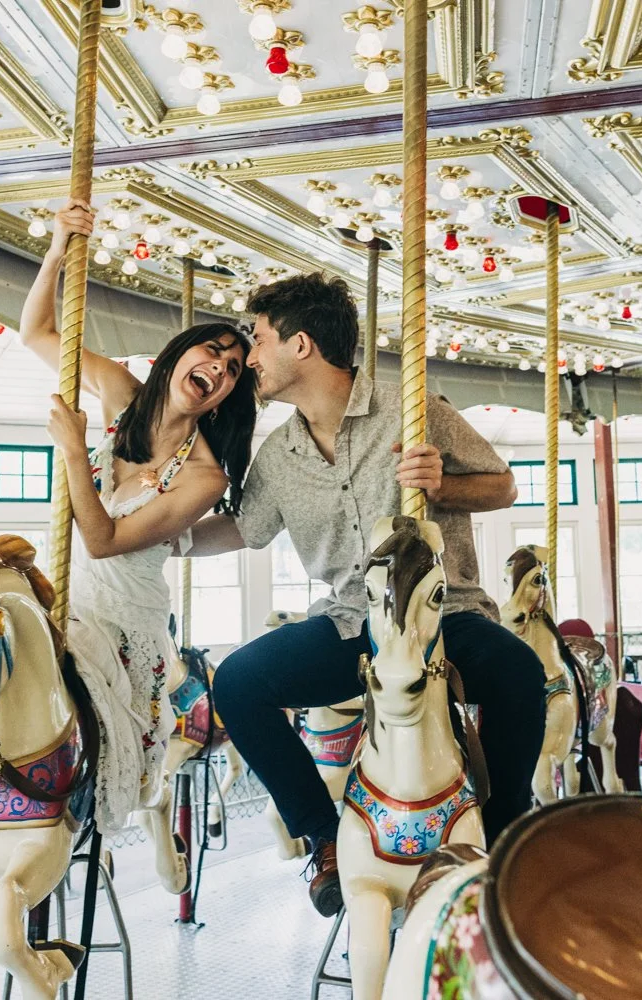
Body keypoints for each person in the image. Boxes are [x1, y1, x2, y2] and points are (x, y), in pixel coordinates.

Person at [0, 201, 260, 937]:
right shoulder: (120, 393)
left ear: (231, 394)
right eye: (211, 351)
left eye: (234, 369)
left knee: (68, 677)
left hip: (122, 611)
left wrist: (73, 450)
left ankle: (30, 852)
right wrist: (57, 246)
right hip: (66, 594)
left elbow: (105, 538)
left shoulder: (204, 475)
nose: (216, 367)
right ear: (181, 353)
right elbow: (37, 332)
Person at [182, 272, 546, 918]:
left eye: (258, 339)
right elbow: (245, 529)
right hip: (352, 622)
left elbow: (503, 486)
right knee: (238, 683)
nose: (251, 358)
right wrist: (161, 536)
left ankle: (508, 823)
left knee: (519, 670)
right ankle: (324, 838)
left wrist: (442, 488)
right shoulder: (279, 455)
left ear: (301, 345)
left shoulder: (412, 409)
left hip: (439, 612)